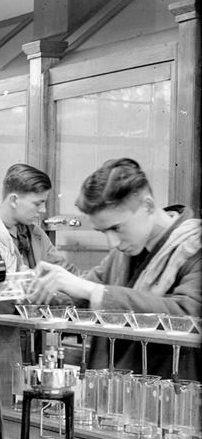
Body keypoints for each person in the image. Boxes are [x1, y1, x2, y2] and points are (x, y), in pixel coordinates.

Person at [30, 158, 201, 377]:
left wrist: (93, 291)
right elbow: (82, 297)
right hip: (116, 393)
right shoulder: (122, 252)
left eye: (117, 228)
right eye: (103, 232)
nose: (112, 242)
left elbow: (188, 314)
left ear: (147, 206)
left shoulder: (195, 247)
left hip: (172, 395)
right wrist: (39, 289)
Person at [0, 164, 75, 380]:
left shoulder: (34, 234)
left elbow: (63, 273)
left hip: (28, 344)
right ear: (13, 200)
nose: (43, 211)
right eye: (38, 203)